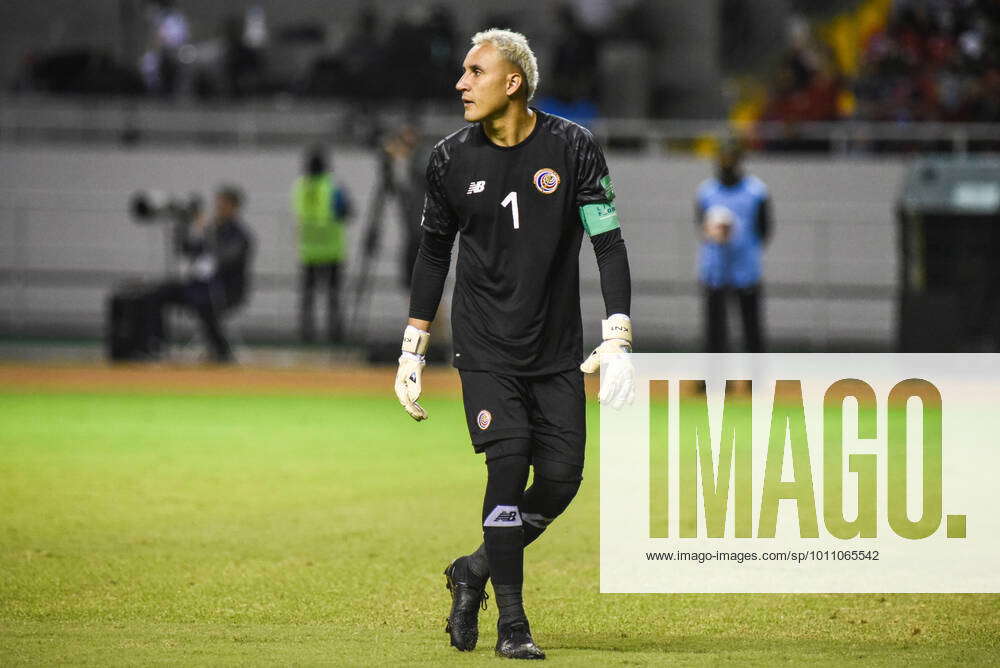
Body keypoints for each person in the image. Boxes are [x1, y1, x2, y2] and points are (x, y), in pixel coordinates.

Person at [392, 29, 634, 660]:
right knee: (508, 463)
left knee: (560, 479)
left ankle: (473, 570)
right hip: (486, 346)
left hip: (556, 349)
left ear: (513, 82)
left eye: (475, 71)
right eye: (463, 72)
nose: (461, 83)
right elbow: (433, 252)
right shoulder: (448, 158)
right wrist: (413, 345)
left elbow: (607, 242)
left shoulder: (574, 147)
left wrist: (618, 332)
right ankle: (514, 624)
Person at [152, 185, 254, 362]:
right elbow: (187, 250)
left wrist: (207, 233)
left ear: (234, 207)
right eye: (217, 204)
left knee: (204, 303)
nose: (218, 209)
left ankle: (221, 351)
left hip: (226, 289)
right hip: (199, 287)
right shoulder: (212, 229)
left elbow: (224, 261)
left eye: (223, 205)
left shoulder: (240, 235)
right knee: (159, 293)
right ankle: (155, 345)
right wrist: (183, 225)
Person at [695, 138, 772, 353]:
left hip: (745, 269)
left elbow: (765, 229)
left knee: (751, 327)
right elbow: (700, 227)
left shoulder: (756, 192)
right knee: (714, 329)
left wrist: (741, 242)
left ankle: (754, 377)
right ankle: (714, 378)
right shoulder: (706, 192)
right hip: (715, 270)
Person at [292, 146, 352, 343]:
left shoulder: (300, 186)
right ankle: (336, 335)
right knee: (333, 296)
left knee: (308, 297)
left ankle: (306, 334)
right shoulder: (333, 187)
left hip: (308, 249)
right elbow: (347, 212)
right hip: (331, 249)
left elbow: (298, 214)